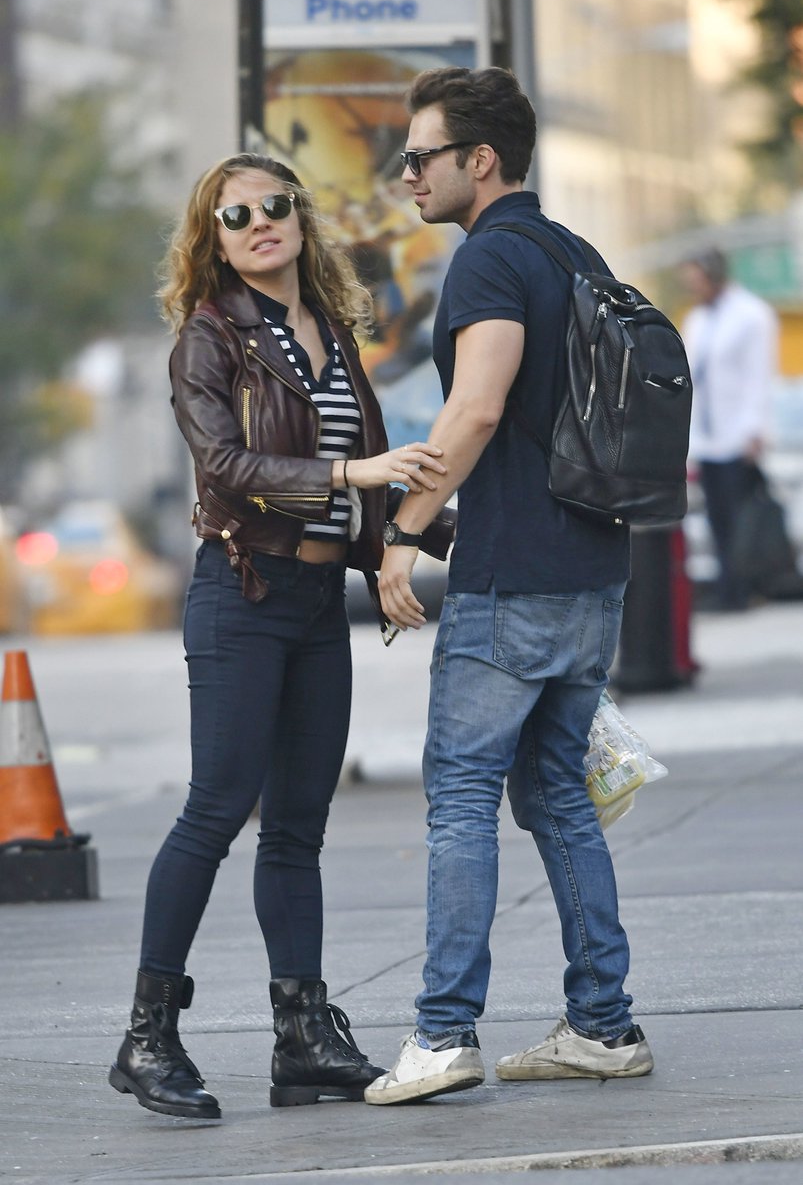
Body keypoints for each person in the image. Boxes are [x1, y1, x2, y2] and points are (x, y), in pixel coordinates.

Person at [108, 152, 446, 1118]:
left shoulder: (332, 334)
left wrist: (440, 531)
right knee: (215, 811)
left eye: (275, 205)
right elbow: (222, 466)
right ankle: (147, 1037)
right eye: (235, 215)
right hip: (241, 594)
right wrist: (353, 478)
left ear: (302, 217)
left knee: (298, 829)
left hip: (312, 608)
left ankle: (302, 1038)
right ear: (209, 239)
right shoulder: (208, 339)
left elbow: (381, 483)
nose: (259, 222)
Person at [364, 67, 653, 1105]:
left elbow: (476, 409)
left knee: (457, 802)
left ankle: (442, 1036)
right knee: (559, 805)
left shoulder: (487, 261)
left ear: (477, 161)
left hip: (512, 582)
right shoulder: (573, 253)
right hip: (589, 570)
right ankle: (601, 1025)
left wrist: (399, 531)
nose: (405, 176)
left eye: (419, 157)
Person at [680, 248, 778, 611]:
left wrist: (754, 429)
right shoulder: (697, 319)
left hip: (739, 433)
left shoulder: (751, 315)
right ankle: (727, 589)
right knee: (718, 517)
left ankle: (745, 586)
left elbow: (758, 375)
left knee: (742, 517)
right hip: (707, 437)